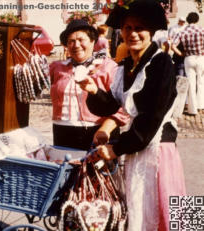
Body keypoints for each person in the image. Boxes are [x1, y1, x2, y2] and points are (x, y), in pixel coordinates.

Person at [78, 1, 186, 230]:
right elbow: (115, 107)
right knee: (138, 210)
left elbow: (152, 117)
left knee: (169, 215)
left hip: (158, 148)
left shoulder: (161, 62)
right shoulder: (126, 65)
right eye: (128, 28)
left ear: (151, 32)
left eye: (140, 28)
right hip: (137, 147)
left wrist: (116, 148)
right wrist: (94, 90)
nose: (133, 34)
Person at [49, 19, 128, 151]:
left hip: (98, 133)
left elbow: (124, 108)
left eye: (81, 40)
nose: (76, 45)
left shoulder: (109, 67)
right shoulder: (57, 67)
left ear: (92, 41)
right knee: (66, 170)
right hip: (62, 133)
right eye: (71, 41)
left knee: (96, 171)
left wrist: (105, 129)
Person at [172, 12, 204, 115]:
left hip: (188, 58)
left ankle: (192, 109)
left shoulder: (182, 31)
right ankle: (201, 106)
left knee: (191, 83)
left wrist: (181, 54)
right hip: (200, 57)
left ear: (188, 20)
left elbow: (173, 45)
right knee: (201, 82)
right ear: (197, 20)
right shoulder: (202, 30)